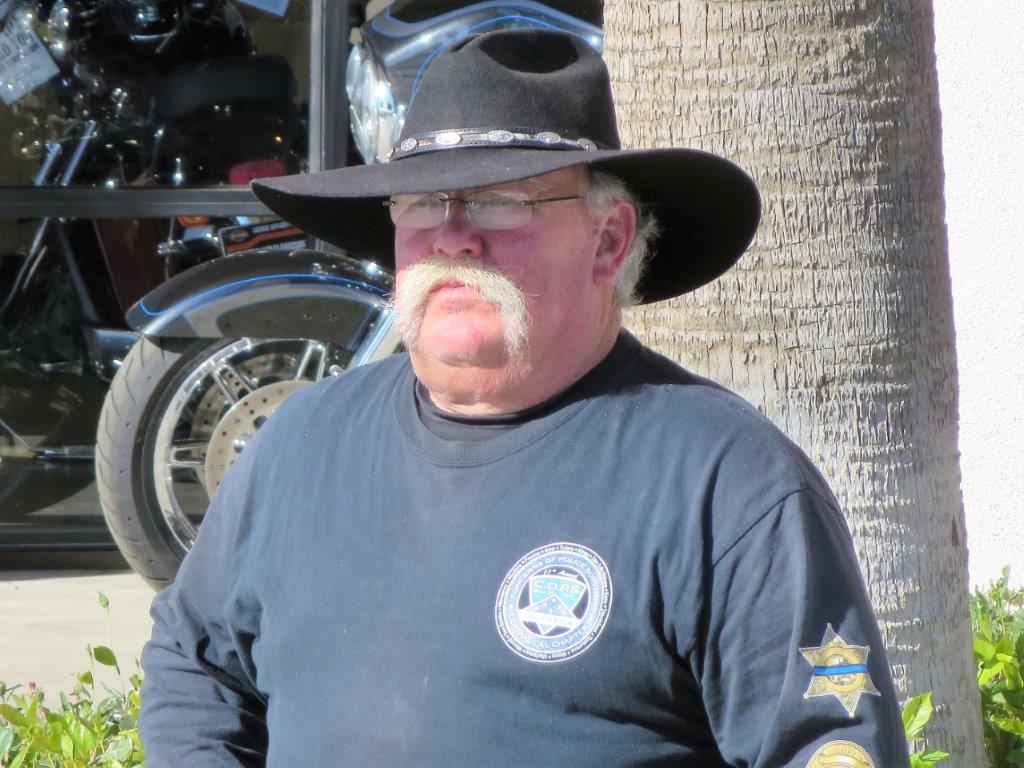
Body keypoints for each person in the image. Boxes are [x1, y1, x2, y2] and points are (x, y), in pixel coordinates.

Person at [140, 29, 909, 768]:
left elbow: (822, 747)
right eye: (420, 203)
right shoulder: (303, 443)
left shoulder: (723, 481)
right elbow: (194, 662)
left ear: (609, 240)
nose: (454, 238)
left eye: (500, 200)